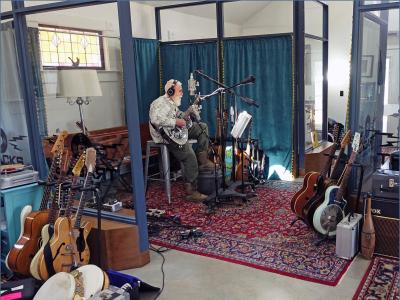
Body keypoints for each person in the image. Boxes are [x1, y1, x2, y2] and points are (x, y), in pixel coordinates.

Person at [149, 79, 214, 202]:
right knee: (189, 155)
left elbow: (181, 119)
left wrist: (188, 113)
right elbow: (155, 120)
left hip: (175, 131)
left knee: (202, 127)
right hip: (165, 136)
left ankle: (203, 161)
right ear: (171, 91)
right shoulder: (158, 103)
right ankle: (191, 191)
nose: (182, 93)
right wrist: (176, 122)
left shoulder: (173, 104)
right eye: (180, 91)